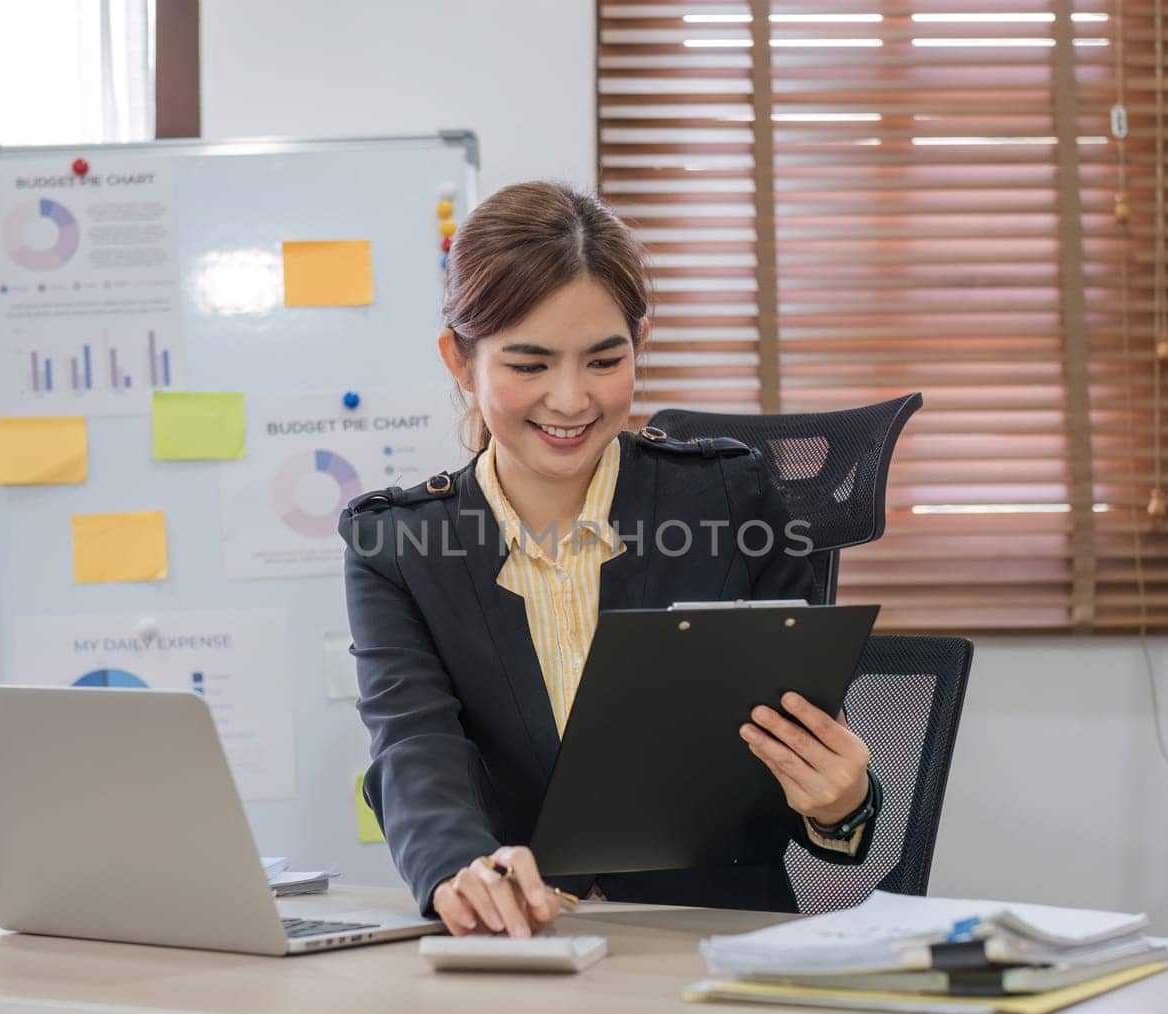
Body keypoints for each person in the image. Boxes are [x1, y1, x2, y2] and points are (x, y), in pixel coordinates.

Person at [339, 181, 880, 938]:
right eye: (528, 365)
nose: (569, 400)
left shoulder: (730, 498)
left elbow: (807, 744)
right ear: (459, 361)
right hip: (519, 940)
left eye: (603, 360)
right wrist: (461, 866)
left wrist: (840, 802)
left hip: (716, 944)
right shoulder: (396, 545)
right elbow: (413, 742)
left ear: (640, 345)